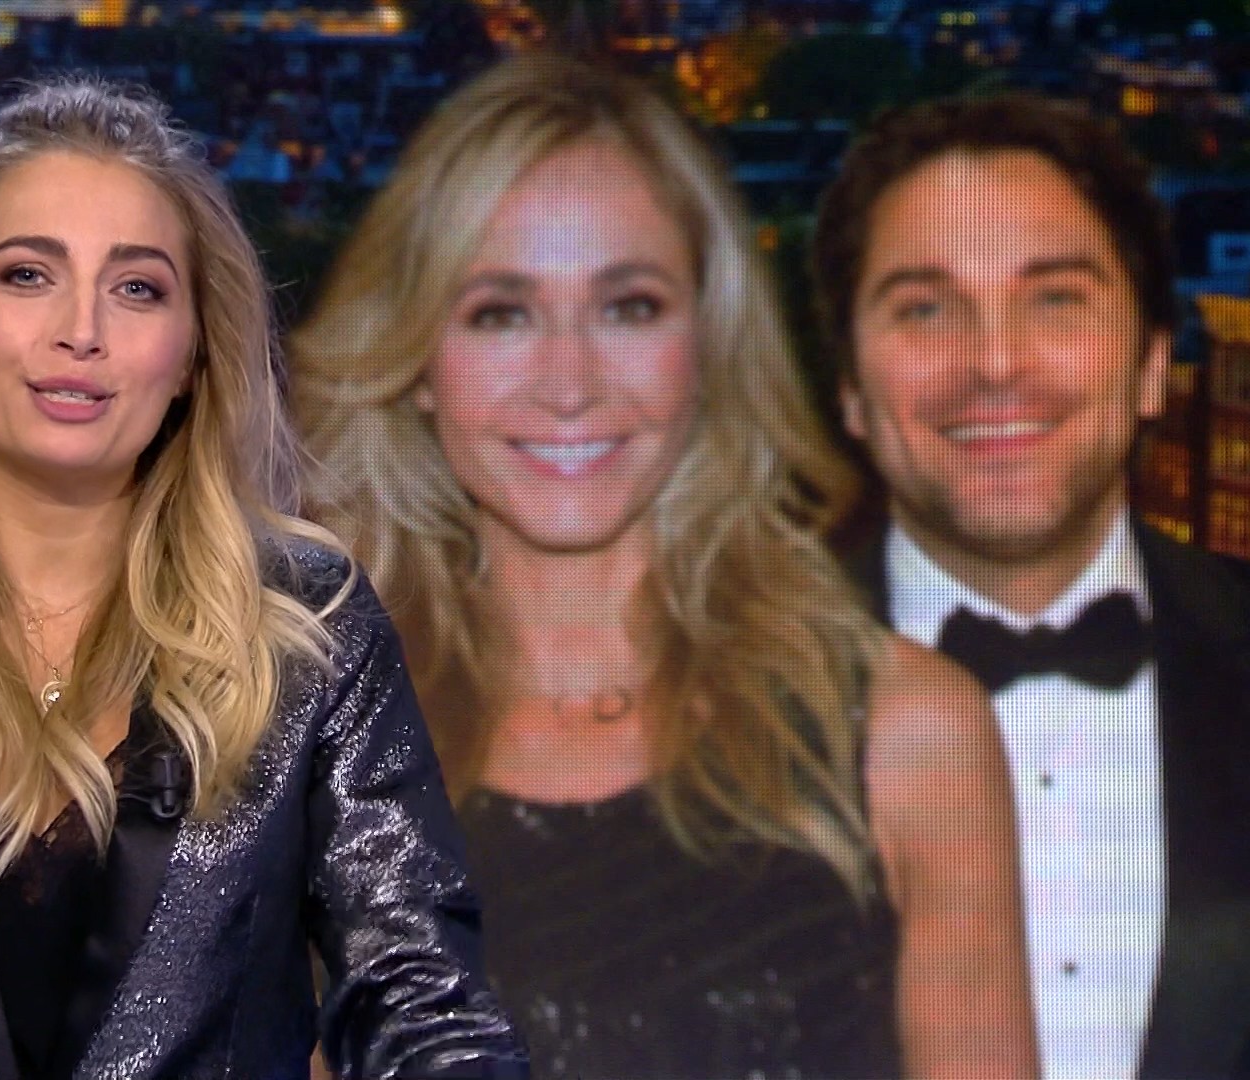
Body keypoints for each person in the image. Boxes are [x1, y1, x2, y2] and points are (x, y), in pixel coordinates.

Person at [0, 76, 529, 1080]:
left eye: (137, 289)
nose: (81, 329)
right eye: (28, 274)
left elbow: (419, 1000)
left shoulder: (307, 629)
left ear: (193, 357)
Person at [291, 55, 1038, 1079]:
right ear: (419, 360)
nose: (569, 384)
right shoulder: (317, 759)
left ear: (709, 343)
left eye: (629, 306)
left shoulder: (911, 736)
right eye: (500, 312)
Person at [812, 92, 1250, 1079]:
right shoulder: (715, 709)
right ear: (851, 390)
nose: (995, 364)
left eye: (1056, 300)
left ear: (1153, 364)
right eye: (924, 308)